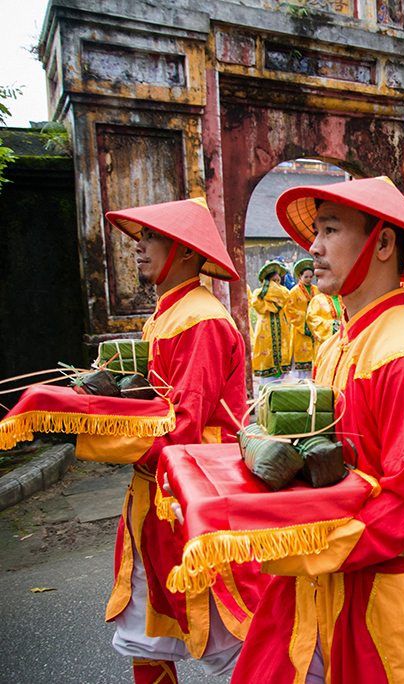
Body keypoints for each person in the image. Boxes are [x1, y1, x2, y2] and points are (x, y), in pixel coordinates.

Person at [231, 177, 404, 684]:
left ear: (382, 243)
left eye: (330, 230)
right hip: (322, 584)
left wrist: (293, 542)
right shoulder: (337, 345)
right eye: (316, 232)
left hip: (388, 600)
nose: (314, 247)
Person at [77, 197, 265, 683]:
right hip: (153, 493)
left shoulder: (200, 318)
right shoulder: (166, 314)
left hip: (192, 494)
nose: (139, 247)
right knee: (145, 626)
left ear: (184, 250)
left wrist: (94, 427)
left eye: (152, 237)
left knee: (236, 633)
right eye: (140, 237)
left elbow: (183, 423)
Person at [251, 261, 292, 384]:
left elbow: (284, 298)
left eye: (278, 280)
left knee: (282, 354)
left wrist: (269, 300)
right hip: (266, 328)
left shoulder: (284, 292)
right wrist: (272, 297)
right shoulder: (258, 293)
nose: (276, 284)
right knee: (266, 356)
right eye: (273, 281)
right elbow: (258, 306)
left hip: (281, 327)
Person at [284, 257, 320, 379]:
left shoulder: (316, 290)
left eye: (311, 277)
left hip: (315, 328)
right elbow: (289, 310)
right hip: (300, 330)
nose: (309, 279)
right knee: (301, 357)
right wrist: (306, 318)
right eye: (306, 277)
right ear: (300, 276)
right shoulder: (294, 292)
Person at [305, 290, 345, 358]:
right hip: (324, 343)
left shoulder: (343, 299)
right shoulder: (317, 300)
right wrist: (334, 325)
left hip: (342, 341)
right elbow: (311, 318)